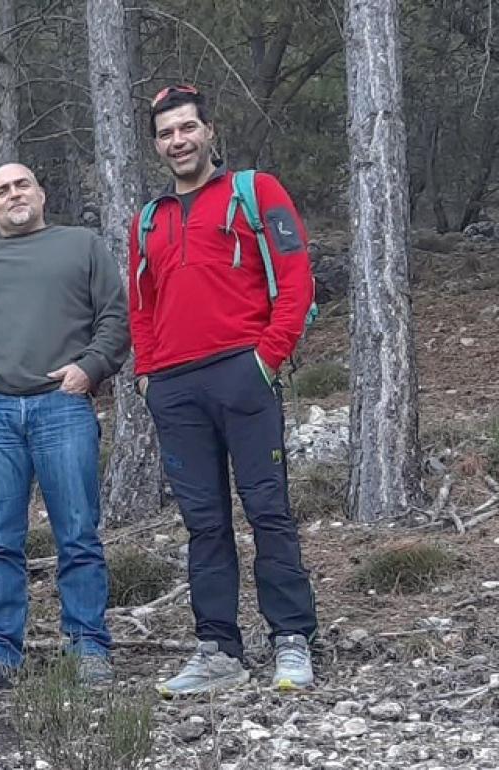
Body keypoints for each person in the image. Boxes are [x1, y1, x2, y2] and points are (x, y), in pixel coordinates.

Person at [129, 85, 318, 695]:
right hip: (175, 389)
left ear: (209, 131)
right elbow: (141, 305)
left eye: (187, 128)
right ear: (156, 145)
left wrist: (267, 359)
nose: (178, 141)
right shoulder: (149, 219)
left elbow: (296, 279)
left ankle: (291, 640)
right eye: (166, 134)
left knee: (268, 510)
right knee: (203, 522)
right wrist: (148, 375)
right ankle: (217, 651)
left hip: (243, 375)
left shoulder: (256, 191)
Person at [0, 163, 130, 689]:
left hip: (62, 406)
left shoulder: (81, 245)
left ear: (41, 194)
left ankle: (88, 648)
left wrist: (90, 367)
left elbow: (115, 318)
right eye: (2, 190)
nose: (14, 194)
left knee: (78, 533)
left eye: (22, 185)